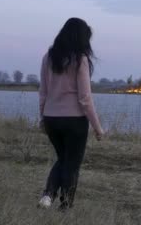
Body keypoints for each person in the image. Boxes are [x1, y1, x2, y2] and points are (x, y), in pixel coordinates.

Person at [37, 17, 104, 210]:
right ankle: (65, 206)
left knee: (63, 159)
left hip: (51, 119)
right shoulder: (80, 59)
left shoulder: (48, 57)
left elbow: (43, 92)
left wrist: (42, 117)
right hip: (74, 121)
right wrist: (98, 127)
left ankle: (48, 195)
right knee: (72, 164)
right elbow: (85, 98)